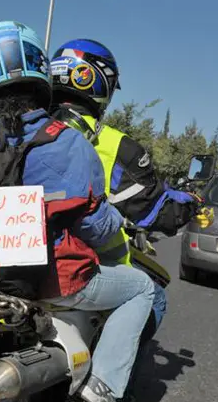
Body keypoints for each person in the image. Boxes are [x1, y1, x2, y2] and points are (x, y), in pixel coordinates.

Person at [0, 21, 155, 402]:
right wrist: (115, 228)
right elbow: (92, 222)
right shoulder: (66, 140)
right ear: (40, 70)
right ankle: (103, 384)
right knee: (141, 288)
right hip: (53, 280)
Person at [49, 39, 201, 337]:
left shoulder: (24, 128)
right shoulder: (115, 146)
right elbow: (156, 214)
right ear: (101, 84)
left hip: (13, 260)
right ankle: (109, 383)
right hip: (80, 266)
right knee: (153, 298)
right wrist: (191, 204)